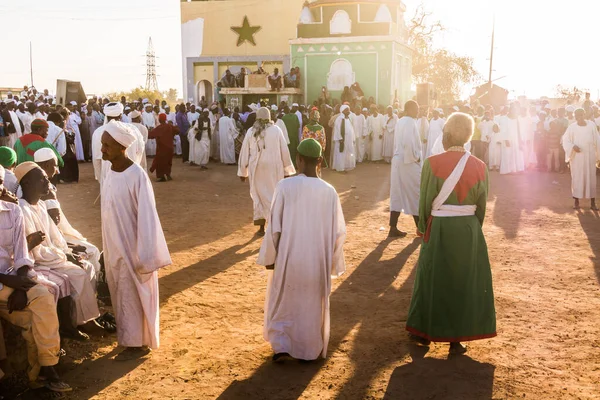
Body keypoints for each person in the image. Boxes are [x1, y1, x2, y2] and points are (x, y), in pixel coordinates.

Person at [406, 112, 496, 355]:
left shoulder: (432, 163)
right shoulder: (480, 166)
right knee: (461, 281)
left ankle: (423, 332)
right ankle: (457, 338)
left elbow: (424, 201)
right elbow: (482, 206)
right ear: (468, 137)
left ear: (445, 135)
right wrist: (471, 229)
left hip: (440, 227)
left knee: (431, 277)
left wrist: (423, 227)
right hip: (468, 229)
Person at [258, 138, 346, 362]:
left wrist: (270, 257)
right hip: (317, 261)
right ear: (319, 161)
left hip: (289, 259)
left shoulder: (285, 187)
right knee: (311, 306)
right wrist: (333, 264)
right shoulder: (330, 191)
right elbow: (339, 234)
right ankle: (309, 349)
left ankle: (282, 346)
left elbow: (273, 227)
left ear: (298, 159)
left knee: (285, 301)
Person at [100, 120, 171, 361]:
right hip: (114, 247)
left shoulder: (137, 176)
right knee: (119, 290)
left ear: (122, 147)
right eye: (102, 145)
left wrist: (146, 254)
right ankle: (129, 339)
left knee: (133, 291)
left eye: (107, 146)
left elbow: (148, 219)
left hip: (134, 249)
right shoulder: (109, 172)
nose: (102, 150)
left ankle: (137, 344)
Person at [0, 181, 71, 392]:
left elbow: (22, 254)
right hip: (5, 281)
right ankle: (38, 374)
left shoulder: (12, 211)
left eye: (1, 182)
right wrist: (7, 280)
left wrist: (21, 286)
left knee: (42, 297)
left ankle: (48, 368)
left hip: (11, 280)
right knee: (30, 321)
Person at [16, 162, 100, 340]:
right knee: (78, 274)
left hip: (53, 257)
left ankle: (84, 319)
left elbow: (56, 238)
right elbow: (36, 251)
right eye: (42, 179)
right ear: (27, 184)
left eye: (47, 178)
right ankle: (80, 323)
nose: (47, 182)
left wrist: (67, 252)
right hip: (39, 262)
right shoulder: (23, 210)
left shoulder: (39, 206)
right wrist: (63, 256)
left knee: (87, 265)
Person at [238, 107, 295, 236]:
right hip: (274, 169)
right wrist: (287, 171)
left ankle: (261, 228)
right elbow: (284, 151)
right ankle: (275, 226)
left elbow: (244, 152)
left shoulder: (251, 131)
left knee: (258, 196)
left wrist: (243, 172)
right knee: (274, 196)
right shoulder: (276, 130)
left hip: (256, 169)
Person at [92, 103, 146, 189]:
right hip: (131, 175)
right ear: (121, 115)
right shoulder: (133, 130)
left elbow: (96, 160)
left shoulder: (98, 132)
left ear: (106, 115)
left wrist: (102, 180)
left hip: (108, 179)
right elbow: (140, 152)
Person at [389, 100, 422, 237]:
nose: (418, 110)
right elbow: (408, 143)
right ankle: (421, 228)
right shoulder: (409, 121)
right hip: (406, 161)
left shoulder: (401, 120)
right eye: (416, 108)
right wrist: (415, 158)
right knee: (416, 191)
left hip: (398, 160)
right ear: (408, 109)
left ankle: (393, 228)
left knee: (397, 193)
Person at [563, 108, 600, 210]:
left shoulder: (592, 125)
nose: (579, 117)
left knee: (591, 178)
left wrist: (599, 156)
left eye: (581, 115)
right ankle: (576, 202)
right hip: (577, 157)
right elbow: (565, 140)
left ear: (584, 115)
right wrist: (572, 147)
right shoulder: (572, 127)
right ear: (575, 116)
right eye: (577, 115)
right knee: (577, 178)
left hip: (590, 156)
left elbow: (597, 140)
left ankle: (593, 203)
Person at [149, 113, 179, 182]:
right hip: (170, 148)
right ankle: (168, 175)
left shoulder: (159, 128)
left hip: (162, 148)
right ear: (165, 119)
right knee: (168, 162)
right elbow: (178, 131)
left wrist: (148, 130)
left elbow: (150, 135)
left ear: (159, 119)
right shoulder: (170, 126)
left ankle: (161, 176)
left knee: (160, 162)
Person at [499, 103, 525, 175]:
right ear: (510, 110)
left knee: (518, 154)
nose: (514, 112)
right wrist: (506, 140)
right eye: (513, 110)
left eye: (515, 110)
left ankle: (518, 169)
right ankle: (507, 170)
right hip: (507, 139)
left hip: (516, 139)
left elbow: (519, 130)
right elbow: (503, 131)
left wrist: (520, 140)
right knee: (507, 154)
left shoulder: (517, 119)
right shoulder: (504, 119)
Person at [332, 105, 356, 172]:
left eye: (349, 110)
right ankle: (340, 168)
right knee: (341, 153)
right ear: (342, 111)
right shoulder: (339, 119)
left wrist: (353, 138)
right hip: (342, 139)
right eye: (347, 110)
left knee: (348, 152)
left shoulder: (349, 118)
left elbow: (352, 129)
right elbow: (337, 129)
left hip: (349, 139)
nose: (348, 111)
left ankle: (346, 166)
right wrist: (340, 138)